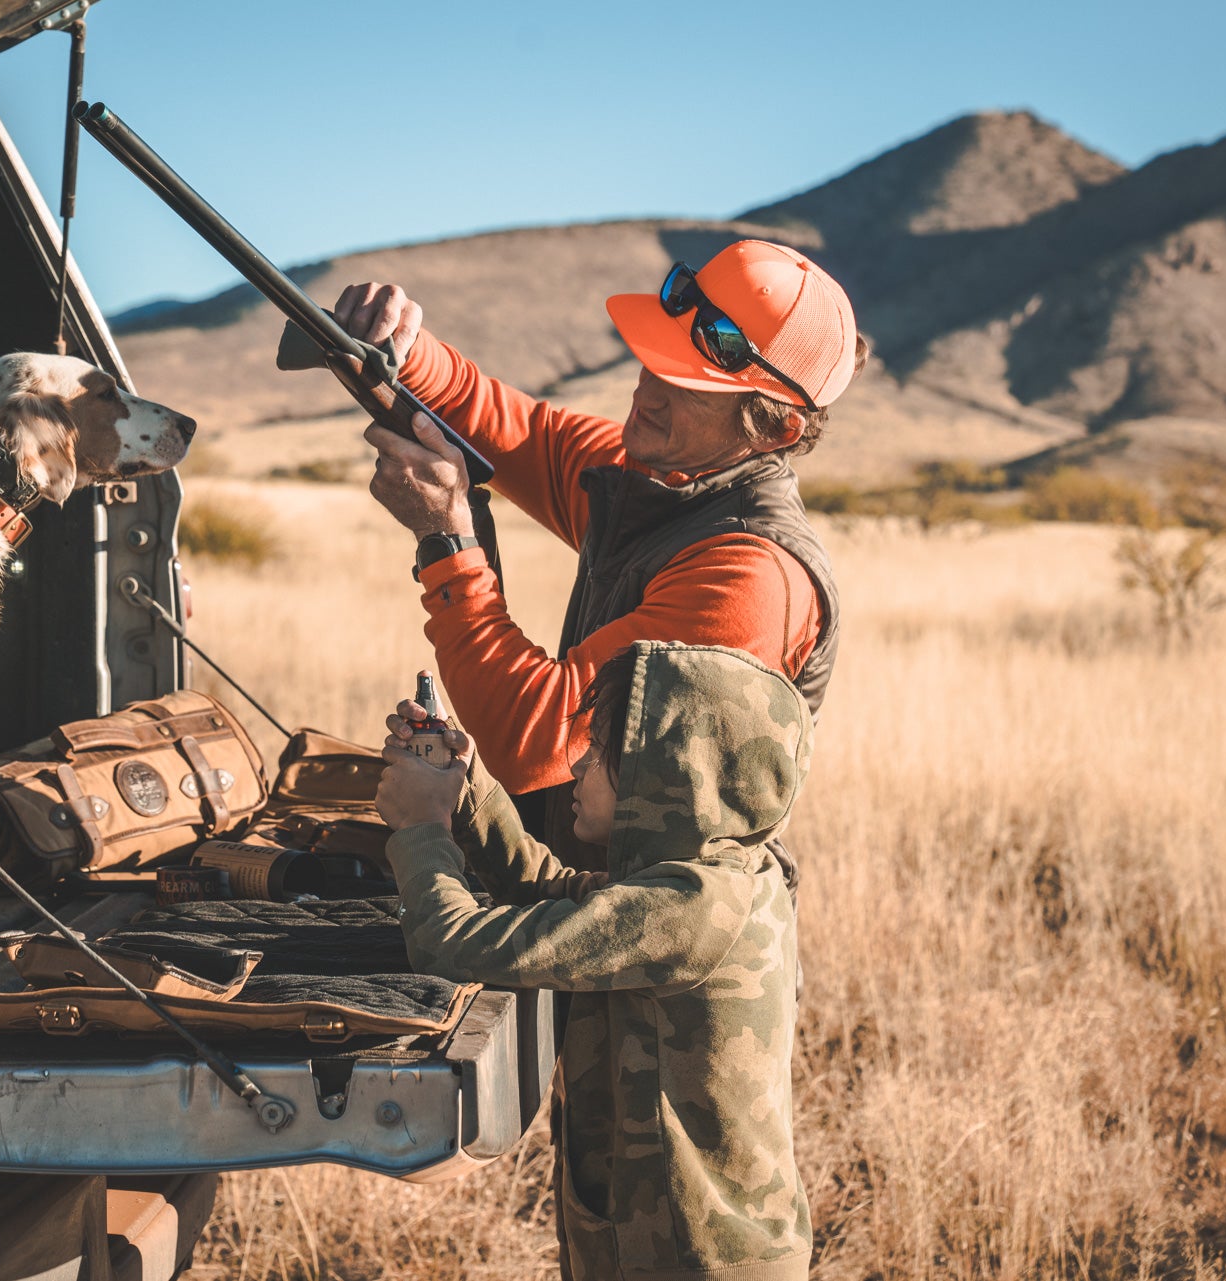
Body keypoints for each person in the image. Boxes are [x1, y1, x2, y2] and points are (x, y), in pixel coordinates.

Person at [334, 239, 864, 864]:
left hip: (652, 921)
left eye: (689, 386)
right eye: (656, 357)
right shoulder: (653, 470)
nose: (648, 390)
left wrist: (447, 539)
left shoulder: (751, 576)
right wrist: (398, 346)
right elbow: (513, 428)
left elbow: (532, 740)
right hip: (573, 895)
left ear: (775, 429)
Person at [375, 640, 815, 1280]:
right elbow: (560, 895)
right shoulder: (726, 871)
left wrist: (421, 827)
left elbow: (451, 943)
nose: (578, 763)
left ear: (672, 777)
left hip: (687, 1262)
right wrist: (466, 788)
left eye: (605, 752)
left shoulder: (692, 907)